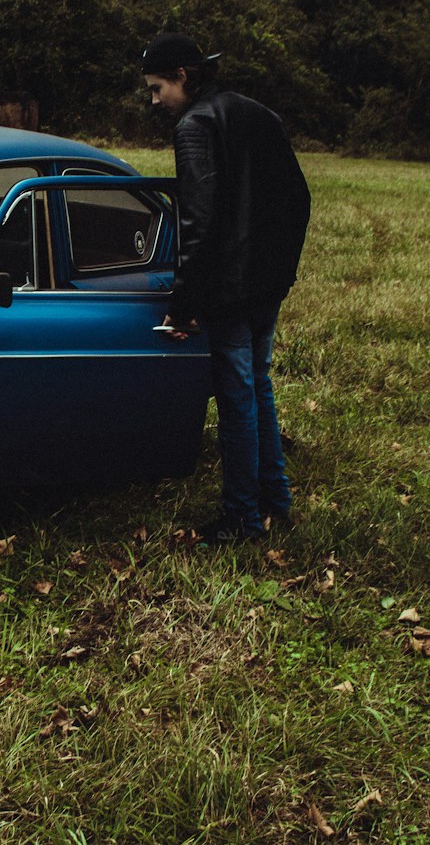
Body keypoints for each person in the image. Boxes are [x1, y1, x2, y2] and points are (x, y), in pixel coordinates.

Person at [140, 32, 311, 545]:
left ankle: (242, 518)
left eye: (156, 88)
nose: (154, 101)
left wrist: (183, 304)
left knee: (237, 398)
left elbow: (199, 220)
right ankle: (275, 501)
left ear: (183, 78)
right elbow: (298, 199)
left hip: (232, 290)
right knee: (258, 386)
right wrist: (279, 273)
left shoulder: (195, 126)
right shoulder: (259, 113)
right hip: (267, 283)